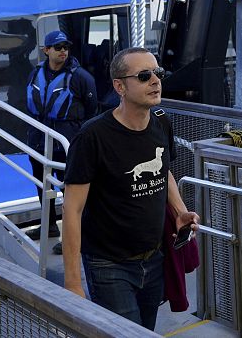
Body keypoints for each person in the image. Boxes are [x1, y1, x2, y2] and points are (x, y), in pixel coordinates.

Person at [62, 47, 199, 330]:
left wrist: (180, 211)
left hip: (154, 256)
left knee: (145, 330)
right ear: (119, 86)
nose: (155, 81)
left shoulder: (161, 122)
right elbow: (72, 209)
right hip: (109, 265)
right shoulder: (92, 137)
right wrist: (73, 283)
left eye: (158, 73)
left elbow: (165, 172)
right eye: (144, 75)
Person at [25, 30, 97, 253]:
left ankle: (75, 236)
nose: (63, 51)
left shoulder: (80, 77)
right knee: (41, 184)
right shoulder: (36, 73)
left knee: (71, 191)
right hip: (39, 139)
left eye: (66, 46)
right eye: (58, 47)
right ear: (46, 50)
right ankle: (49, 226)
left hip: (67, 142)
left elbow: (92, 110)